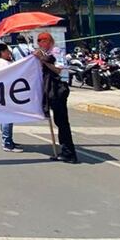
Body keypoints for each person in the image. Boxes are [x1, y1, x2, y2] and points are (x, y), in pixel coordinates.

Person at [34, 32, 78, 164]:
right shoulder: (44, 53)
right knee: (58, 122)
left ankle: (69, 153)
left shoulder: (56, 52)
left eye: (44, 40)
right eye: (39, 41)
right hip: (50, 89)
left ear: (50, 41)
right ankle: (64, 150)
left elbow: (58, 69)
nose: (41, 43)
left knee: (62, 122)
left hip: (59, 88)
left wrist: (43, 59)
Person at [0, 43, 23, 153]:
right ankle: (7, 143)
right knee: (8, 117)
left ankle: (7, 140)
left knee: (3, 117)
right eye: (7, 51)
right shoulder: (5, 63)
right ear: (2, 52)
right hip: (7, 92)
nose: (9, 53)